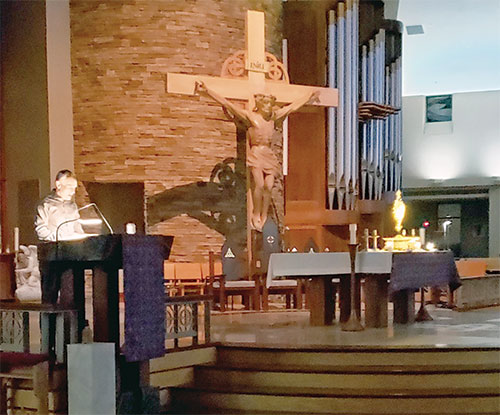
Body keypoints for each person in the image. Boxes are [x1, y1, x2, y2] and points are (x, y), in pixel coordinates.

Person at [195, 80, 319, 231]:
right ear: (260, 105)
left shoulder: (273, 118)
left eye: (270, 104)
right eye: (266, 104)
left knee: (269, 185)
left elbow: (292, 107)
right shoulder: (251, 117)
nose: (269, 107)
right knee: (259, 184)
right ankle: (256, 213)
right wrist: (207, 91)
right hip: (256, 153)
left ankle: (264, 214)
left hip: (268, 154)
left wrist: (308, 96)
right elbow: (228, 105)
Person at [35, 169, 86, 241]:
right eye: (70, 187)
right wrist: (60, 239)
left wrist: (83, 239)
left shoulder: (72, 206)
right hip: (54, 248)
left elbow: (77, 227)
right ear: (58, 185)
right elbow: (41, 230)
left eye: (74, 188)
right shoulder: (45, 205)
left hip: (72, 248)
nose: (73, 192)